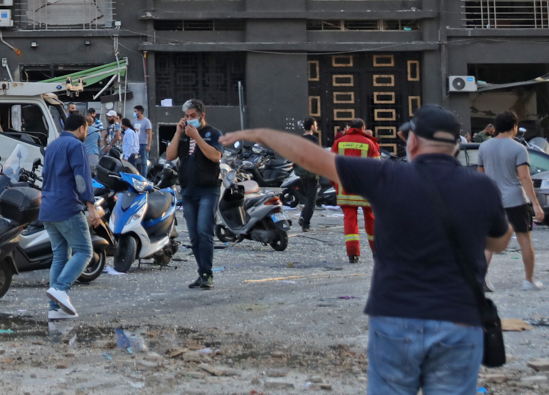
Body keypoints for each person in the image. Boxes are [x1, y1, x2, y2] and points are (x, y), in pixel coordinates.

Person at [219, 106, 512, 395]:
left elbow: (310, 156)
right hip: (459, 321)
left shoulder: (388, 177)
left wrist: (259, 133)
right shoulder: (481, 186)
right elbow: (499, 242)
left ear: (413, 141)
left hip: (397, 319)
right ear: (456, 145)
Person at [40, 113, 102, 320]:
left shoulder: (53, 146)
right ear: (82, 128)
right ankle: (60, 289)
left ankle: (54, 308)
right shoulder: (76, 146)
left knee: (60, 255)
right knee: (84, 251)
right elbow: (82, 178)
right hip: (67, 206)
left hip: (48, 208)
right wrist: (91, 208)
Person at [479, 110, 545, 291]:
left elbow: (480, 175)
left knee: (489, 242)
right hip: (516, 200)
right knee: (524, 239)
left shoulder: (484, 147)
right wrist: (536, 205)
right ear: (514, 127)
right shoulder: (518, 148)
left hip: (493, 200)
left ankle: (482, 277)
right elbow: (524, 178)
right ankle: (528, 281)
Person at [165, 99, 222, 290]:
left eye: (193, 116)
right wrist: (178, 133)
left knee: (205, 231)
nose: (189, 120)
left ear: (202, 116)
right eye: (186, 117)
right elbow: (170, 156)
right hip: (188, 190)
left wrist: (197, 137)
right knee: (194, 235)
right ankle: (202, 272)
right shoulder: (184, 135)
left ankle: (208, 274)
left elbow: (215, 156)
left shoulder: (213, 134)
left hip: (208, 189)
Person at [332, 118, 381, 263]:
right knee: (371, 219)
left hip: (345, 188)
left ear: (349, 128)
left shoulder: (339, 142)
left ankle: (353, 254)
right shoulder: (369, 143)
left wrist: (335, 185)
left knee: (349, 220)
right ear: (363, 127)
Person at [296, 117, 322, 233]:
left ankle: (302, 217)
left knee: (308, 196)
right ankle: (305, 224)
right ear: (312, 126)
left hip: (301, 171)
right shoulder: (314, 139)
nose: (316, 127)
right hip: (311, 171)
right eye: (315, 125)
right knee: (312, 199)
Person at [132, 105, 153, 176]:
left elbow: (149, 134)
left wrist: (149, 145)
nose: (134, 113)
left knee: (144, 162)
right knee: (134, 161)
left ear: (139, 112)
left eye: (135, 111)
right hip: (135, 144)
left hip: (143, 144)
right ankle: (136, 176)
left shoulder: (146, 121)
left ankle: (144, 177)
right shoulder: (134, 121)